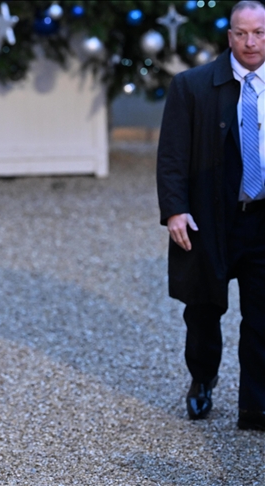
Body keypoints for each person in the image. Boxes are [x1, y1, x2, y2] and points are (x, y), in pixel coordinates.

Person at [157, 0, 265, 431]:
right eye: (241, 33)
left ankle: (255, 406)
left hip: (262, 220)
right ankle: (202, 378)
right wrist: (175, 211)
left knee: (261, 317)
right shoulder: (193, 86)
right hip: (209, 219)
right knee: (203, 310)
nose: (250, 41)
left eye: (259, 32)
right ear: (229, 36)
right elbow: (171, 156)